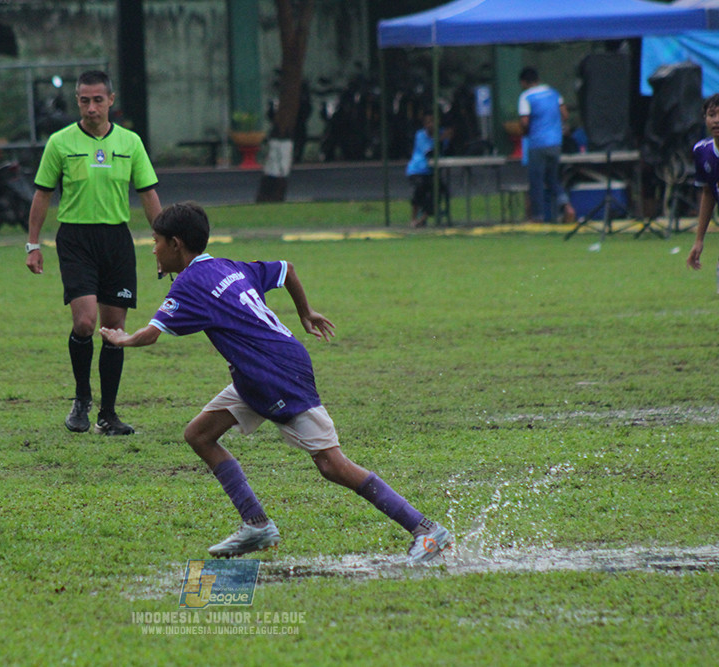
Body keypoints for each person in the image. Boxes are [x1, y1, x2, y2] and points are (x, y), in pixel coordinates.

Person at [100, 202, 452, 563]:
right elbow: (287, 270)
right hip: (258, 372)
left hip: (275, 373)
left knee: (331, 464)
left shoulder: (190, 283)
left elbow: (151, 334)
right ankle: (256, 524)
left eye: (156, 241)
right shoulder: (227, 266)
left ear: (175, 244)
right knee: (199, 435)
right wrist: (305, 312)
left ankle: (425, 529)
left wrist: (123, 339)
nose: (152, 249)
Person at [25, 70, 162, 436]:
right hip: (76, 240)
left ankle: (109, 414)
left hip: (116, 241)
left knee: (114, 330)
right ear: (77, 102)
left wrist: (166, 243)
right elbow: (42, 194)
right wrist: (33, 244)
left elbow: (148, 194)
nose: (91, 108)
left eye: (97, 100)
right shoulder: (60, 142)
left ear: (111, 100)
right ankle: (82, 399)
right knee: (85, 323)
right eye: (84, 100)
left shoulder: (131, 143)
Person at [518, 67, 576, 223]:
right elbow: (564, 114)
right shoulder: (554, 93)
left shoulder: (526, 96)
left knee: (536, 180)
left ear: (524, 82)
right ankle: (567, 206)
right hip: (555, 143)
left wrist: (527, 131)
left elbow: (524, 121)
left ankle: (537, 217)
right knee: (552, 178)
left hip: (537, 143)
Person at [686, 93, 719, 275]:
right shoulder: (702, 151)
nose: (717, 120)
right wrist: (699, 240)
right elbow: (708, 193)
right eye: (712, 115)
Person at [405, 112, 449, 227]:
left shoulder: (441, 133)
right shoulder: (420, 135)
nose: (431, 125)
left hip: (431, 172)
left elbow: (446, 150)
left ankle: (423, 218)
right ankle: (413, 218)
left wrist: (448, 136)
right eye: (428, 122)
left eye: (433, 122)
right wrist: (441, 139)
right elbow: (430, 152)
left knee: (439, 190)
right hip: (417, 170)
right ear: (424, 124)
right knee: (419, 188)